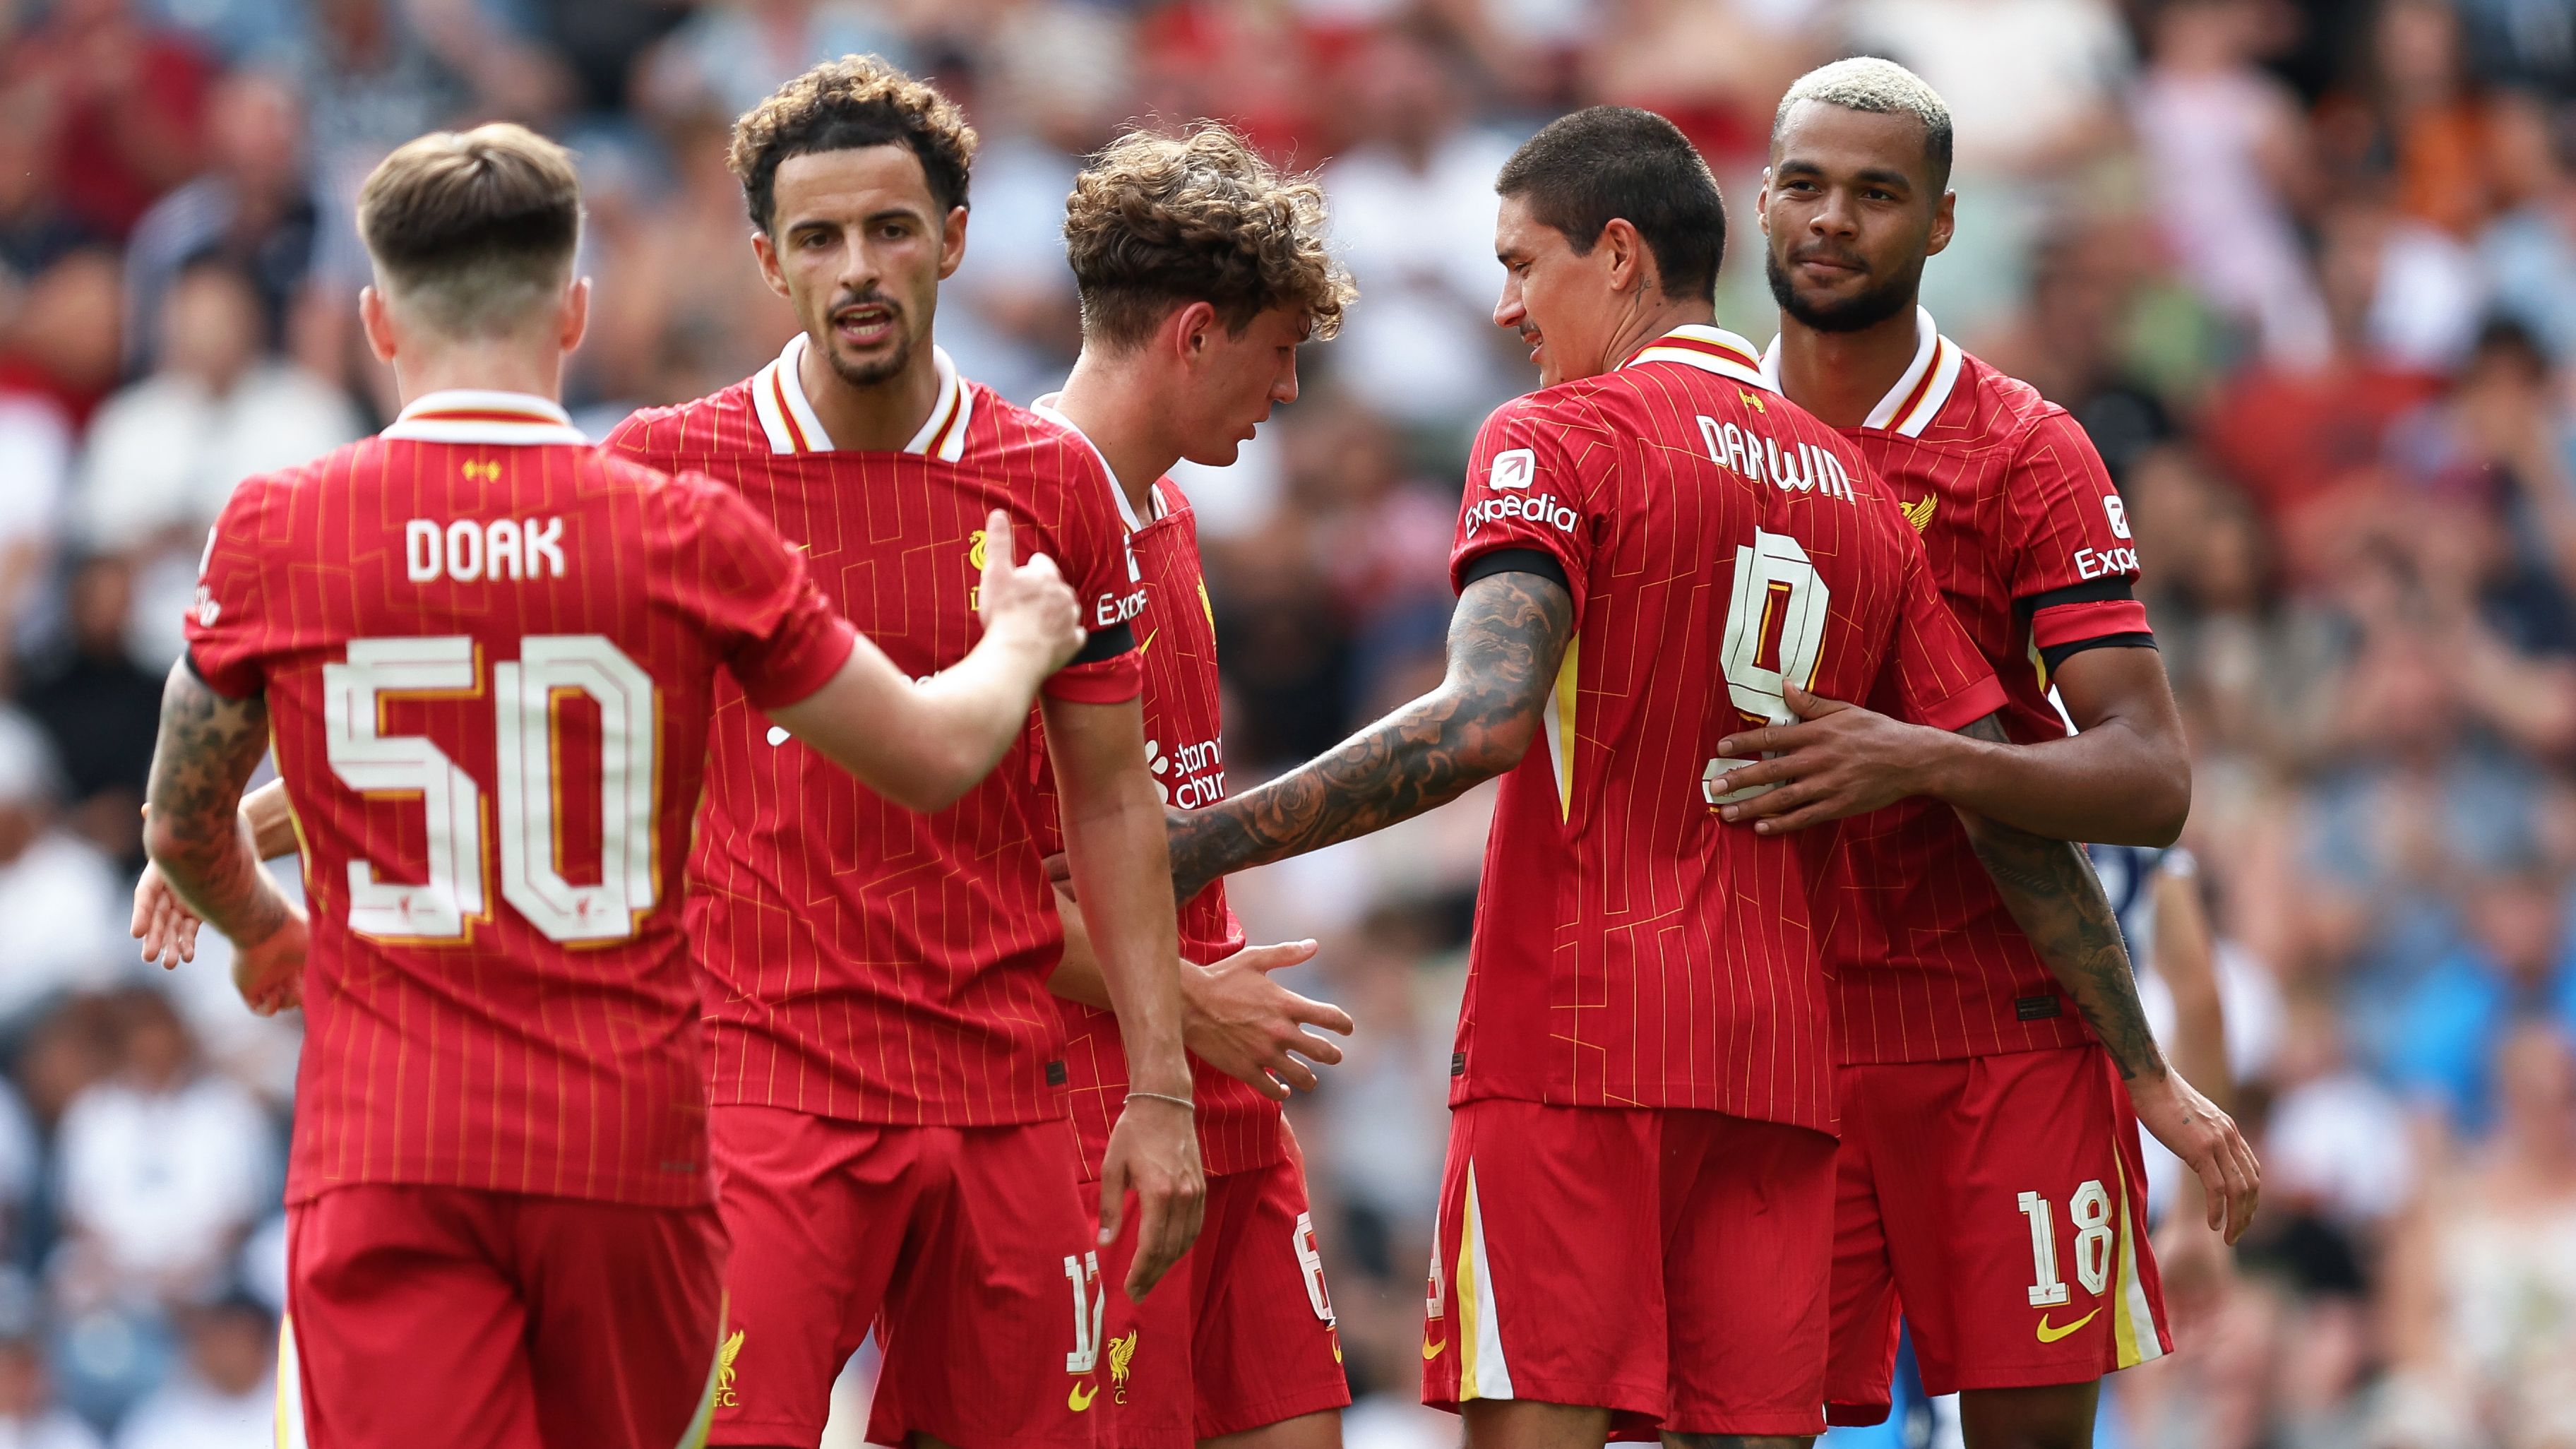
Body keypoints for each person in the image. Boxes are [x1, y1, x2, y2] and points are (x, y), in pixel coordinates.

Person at [1162, 105, 2225, 1449]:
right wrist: (2143, 1062)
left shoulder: (1558, 437)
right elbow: (2003, 803)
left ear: (1616, 256)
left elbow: (1485, 718)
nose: (1504, 308)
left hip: (1577, 1042)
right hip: (1781, 1069)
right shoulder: (1853, 488)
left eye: (1521, 263)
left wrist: (1199, 842)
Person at [138, 121, 1088, 1449]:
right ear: (575, 310)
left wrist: (262, 931)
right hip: (627, 1152)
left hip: (392, 1144)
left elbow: (182, 824)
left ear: (375, 320)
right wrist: (1023, 641)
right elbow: (933, 753)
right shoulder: (682, 530)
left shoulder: (283, 526)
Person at [603, 57, 1205, 1449]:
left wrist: (1161, 1092)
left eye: (888, 229)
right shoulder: (662, 470)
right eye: (817, 238)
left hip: (1002, 1094)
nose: (856, 267)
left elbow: (1115, 806)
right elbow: (525, 715)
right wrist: (259, 824)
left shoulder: (1051, 480)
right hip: (761, 1090)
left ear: (952, 236)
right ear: (766, 258)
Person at [1698, 58, 2258, 1448]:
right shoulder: (1688, 438)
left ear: (1941, 223)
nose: (1833, 221)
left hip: (1999, 1035)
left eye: (1878, 195)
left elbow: (2150, 778)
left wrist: (1925, 760)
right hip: (1774, 1038)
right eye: (1808, 186)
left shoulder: (2027, 452)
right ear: (1761, 200)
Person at [927, 124, 1359, 1449]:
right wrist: (1184, 996)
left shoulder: (1170, 518)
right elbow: (948, 895)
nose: (1287, 392)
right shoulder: (997, 532)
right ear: (1193, 335)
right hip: (1072, 1106)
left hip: (1206, 1071)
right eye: (1279, 351)